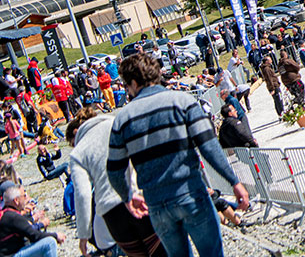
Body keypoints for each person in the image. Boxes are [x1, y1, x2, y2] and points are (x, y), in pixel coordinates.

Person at [106, 53, 249, 257]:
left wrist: (128, 196)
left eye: (127, 86)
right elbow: (208, 146)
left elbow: (114, 171)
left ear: (135, 83)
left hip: (157, 205)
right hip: (190, 193)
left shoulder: (122, 120)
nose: (127, 91)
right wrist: (234, 181)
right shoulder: (182, 101)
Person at [66, 107, 164, 257]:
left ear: (76, 133)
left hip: (112, 214)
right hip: (137, 198)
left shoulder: (78, 153)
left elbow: (82, 195)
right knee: (160, 251)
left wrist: (83, 235)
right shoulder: (115, 124)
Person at [0, 185, 63, 257]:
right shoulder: (14, 217)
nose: (26, 199)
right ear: (16, 200)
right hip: (11, 255)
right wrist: (56, 235)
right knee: (50, 243)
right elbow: (34, 235)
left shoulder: (6, 214)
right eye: (24, 196)